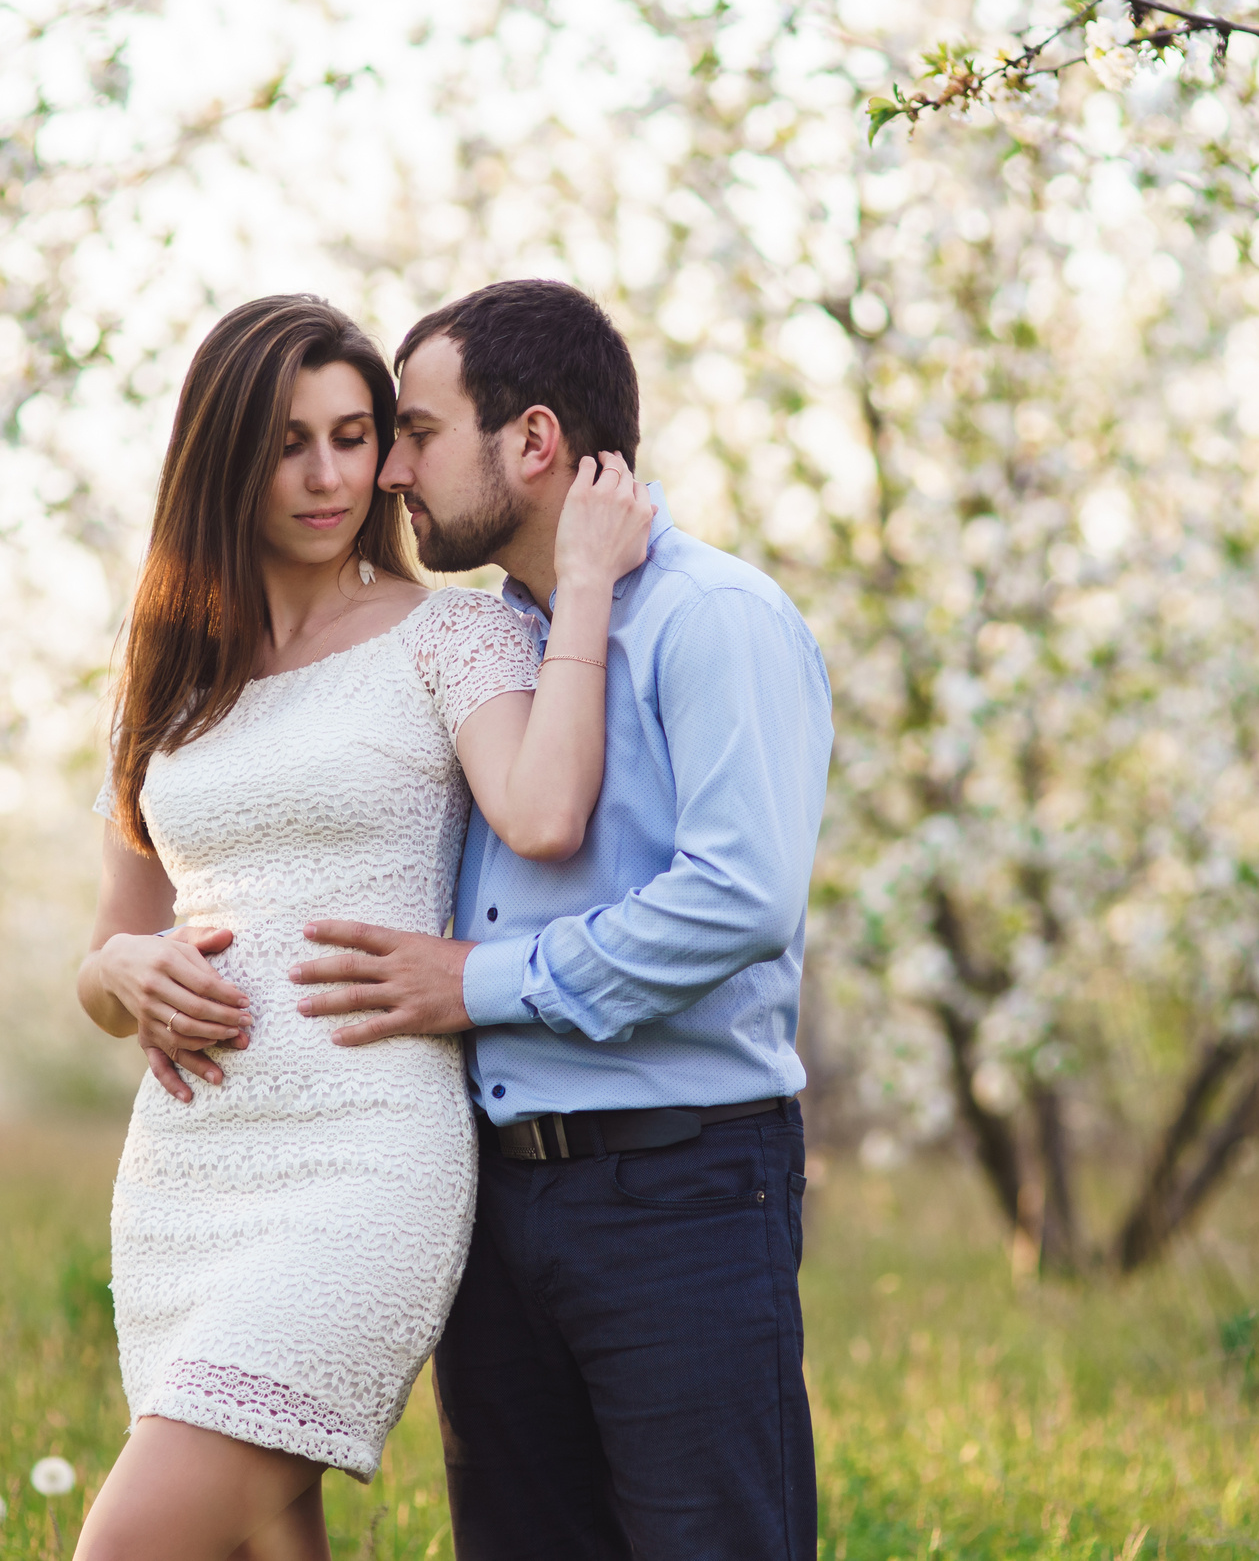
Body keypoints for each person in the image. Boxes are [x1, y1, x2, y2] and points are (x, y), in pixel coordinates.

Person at [71, 292, 654, 1561]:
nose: (333, 475)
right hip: (190, 1170)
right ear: (224, 453)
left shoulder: (449, 630)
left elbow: (547, 809)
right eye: (290, 442)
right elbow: (109, 954)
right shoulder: (171, 666)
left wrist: (591, 588)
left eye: (355, 434)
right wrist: (123, 969)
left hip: (364, 1164)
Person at [283, 279, 834, 1561]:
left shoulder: (716, 620)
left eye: (414, 433)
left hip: (681, 1190)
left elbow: (738, 900)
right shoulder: (493, 649)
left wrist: (474, 984)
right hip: (491, 1203)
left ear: (532, 442)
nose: (387, 473)